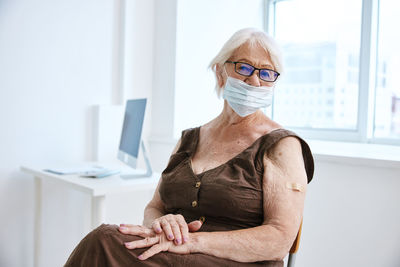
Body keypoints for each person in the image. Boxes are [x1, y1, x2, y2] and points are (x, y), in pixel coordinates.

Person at [65, 28, 314, 267]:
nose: (254, 81)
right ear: (220, 72)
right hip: (173, 255)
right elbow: (155, 207)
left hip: (234, 261)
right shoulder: (190, 139)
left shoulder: (282, 146)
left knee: (104, 241)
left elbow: (279, 239)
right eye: (244, 67)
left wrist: (192, 242)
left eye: (267, 73)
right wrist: (162, 224)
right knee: (105, 240)